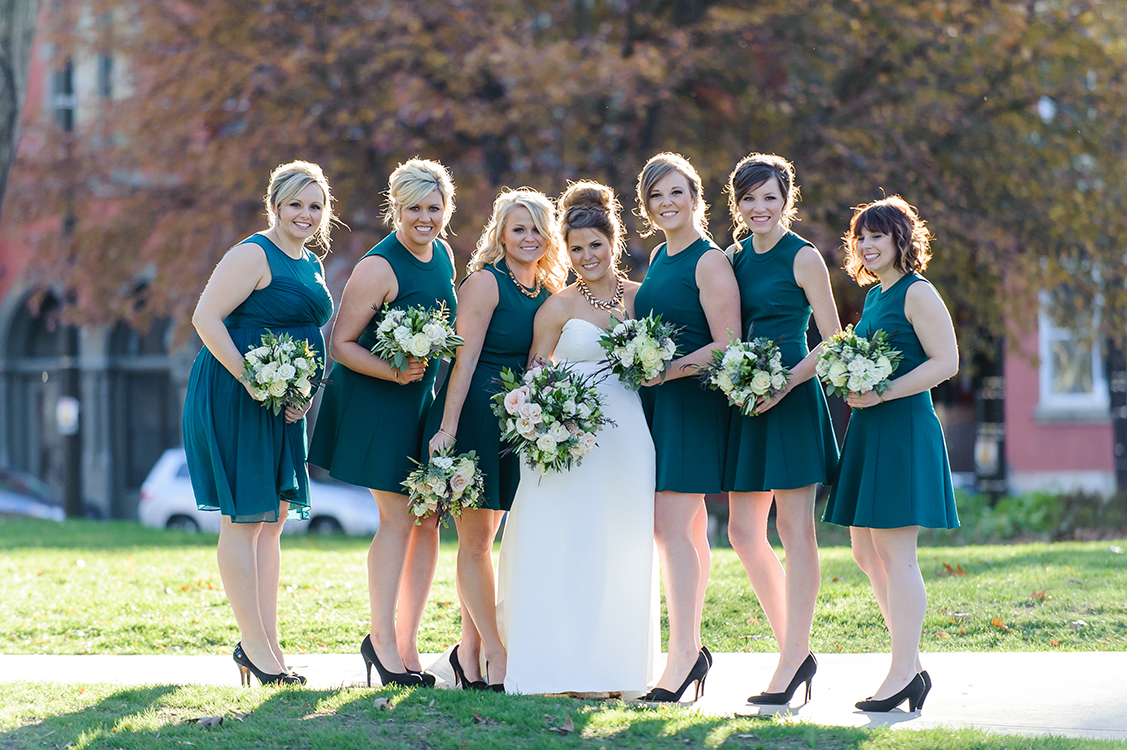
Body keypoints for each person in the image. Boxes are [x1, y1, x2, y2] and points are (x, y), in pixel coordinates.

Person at [495, 181, 659, 695]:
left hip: (628, 437)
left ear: (614, 243)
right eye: (577, 248)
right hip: (566, 439)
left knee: (620, 544)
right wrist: (549, 423)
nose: (588, 256)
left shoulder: (639, 299)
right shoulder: (558, 308)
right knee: (564, 543)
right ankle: (558, 666)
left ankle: (615, 668)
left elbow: (655, 365)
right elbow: (534, 376)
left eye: (596, 245)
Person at [182, 160, 336, 686]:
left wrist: (301, 392)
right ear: (274, 205)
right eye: (295, 204)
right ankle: (254, 646)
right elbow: (206, 318)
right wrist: (253, 379)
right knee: (243, 520)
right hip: (237, 392)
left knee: (272, 523)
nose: (306, 214)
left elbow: (306, 333)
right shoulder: (253, 253)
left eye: (315, 206)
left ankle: (268, 644)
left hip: (282, 398)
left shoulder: (310, 262)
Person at [308, 159, 458, 688]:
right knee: (397, 518)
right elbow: (340, 345)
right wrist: (393, 372)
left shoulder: (442, 253)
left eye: (434, 208)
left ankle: (407, 640)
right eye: (414, 207)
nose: (425, 218)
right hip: (377, 403)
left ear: (446, 210)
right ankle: (381, 641)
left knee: (428, 520)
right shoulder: (378, 267)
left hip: (422, 403)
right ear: (395, 207)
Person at [426, 189, 568, 691]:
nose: (529, 238)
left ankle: (468, 654)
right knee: (476, 541)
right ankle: (496, 652)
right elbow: (461, 363)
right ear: (501, 235)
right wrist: (447, 428)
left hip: (519, 421)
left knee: (489, 544)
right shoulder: (486, 283)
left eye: (536, 229)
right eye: (518, 229)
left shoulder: (549, 289)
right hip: (477, 420)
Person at [822, 195, 959, 713]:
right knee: (864, 550)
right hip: (871, 428)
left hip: (902, 427)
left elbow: (946, 362)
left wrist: (883, 391)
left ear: (902, 239)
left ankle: (902, 669)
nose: (867, 244)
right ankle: (914, 665)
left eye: (878, 235)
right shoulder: (877, 296)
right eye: (861, 236)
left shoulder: (917, 292)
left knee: (896, 554)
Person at [721, 154, 841, 705]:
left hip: (791, 398)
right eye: (748, 199)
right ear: (736, 203)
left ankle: (793, 657)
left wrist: (786, 382)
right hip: (748, 400)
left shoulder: (805, 257)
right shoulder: (733, 256)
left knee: (796, 532)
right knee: (743, 532)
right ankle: (795, 648)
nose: (758, 208)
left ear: (787, 199)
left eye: (769, 197)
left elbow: (833, 337)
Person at [632, 153, 740, 702]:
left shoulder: (709, 261)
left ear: (696, 196)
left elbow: (727, 345)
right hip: (659, 406)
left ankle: (683, 659)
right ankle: (689, 653)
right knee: (687, 531)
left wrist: (666, 370)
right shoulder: (658, 257)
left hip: (693, 405)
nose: (666, 203)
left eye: (676, 192)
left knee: (668, 528)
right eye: (656, 196)